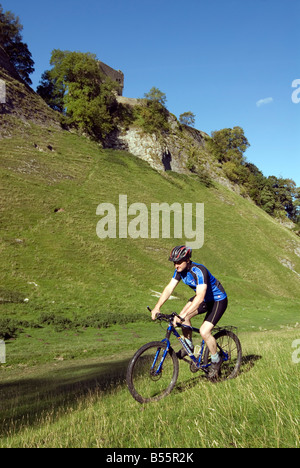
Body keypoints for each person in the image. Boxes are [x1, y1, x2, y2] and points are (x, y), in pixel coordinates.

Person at [151, 245, 228, 379]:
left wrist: (184, 315)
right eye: (174, 262)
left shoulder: (199, 271)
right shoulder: (179, 271)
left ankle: (216, 359)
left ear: (187, 259)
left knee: (204, 331)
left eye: (179, 262)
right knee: (183, 317)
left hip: (217, 300)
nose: (176, 265)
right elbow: (169, 289)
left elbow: (200, 296)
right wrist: (157, 307)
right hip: (203, 299)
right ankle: (189, 345)